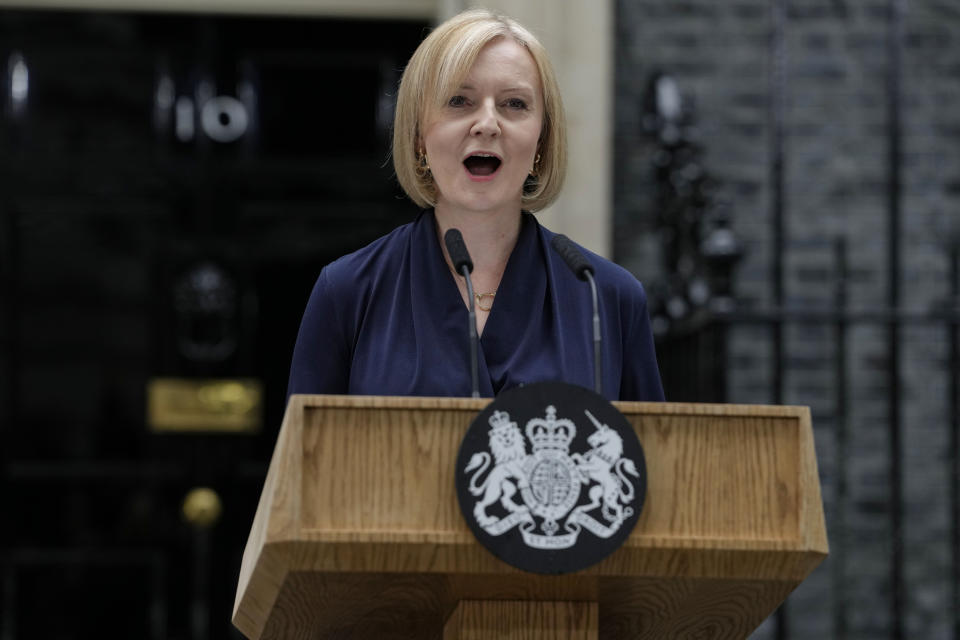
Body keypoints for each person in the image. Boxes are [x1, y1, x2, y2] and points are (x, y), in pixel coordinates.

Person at [287, 9, 664, 402]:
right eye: (459, 101)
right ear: (418, 135)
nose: (487, 123)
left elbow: (648, 459)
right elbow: (306, 458)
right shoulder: (347, 291)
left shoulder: (608, 297)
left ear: (541, 140)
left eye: (514, 104)